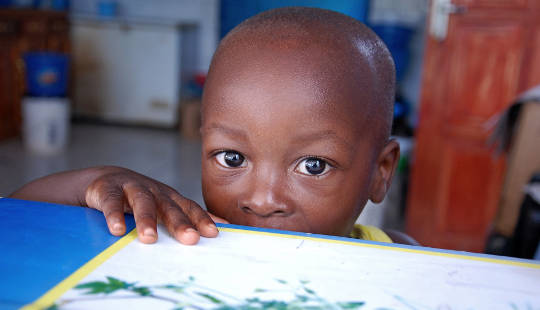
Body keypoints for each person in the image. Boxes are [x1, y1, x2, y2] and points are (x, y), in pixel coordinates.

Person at [10, 7, 417, 246]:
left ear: (381, 172)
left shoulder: (401, 258)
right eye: (232, 157)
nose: (262, 200)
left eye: (313, 165)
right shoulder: (183, 236)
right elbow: (15, 217)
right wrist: (94, 181)